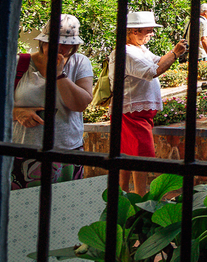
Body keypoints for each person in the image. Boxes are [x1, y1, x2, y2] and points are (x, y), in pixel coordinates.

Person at [11, 14, 94, 190]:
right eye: (55, 43)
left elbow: (80, 105)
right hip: (24, 152)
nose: (61, 49)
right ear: (43, 42)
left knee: (65, 210)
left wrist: (59, 74)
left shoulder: (79, 63)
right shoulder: (20, 64)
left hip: (67, 153)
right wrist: (18, 113)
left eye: (67, 45)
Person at [110, 11, 188, 194]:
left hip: (136, 113)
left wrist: (173, 54)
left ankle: (122, 195)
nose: (151, 34)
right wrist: (175, 54)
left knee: (127, 154)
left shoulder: (139, 50)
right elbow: (152, 71)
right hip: (131, 113)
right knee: (140, 156)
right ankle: (139, 196)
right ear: (133, 31)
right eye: (148, 31)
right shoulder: (126, 52)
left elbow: (158, 62)